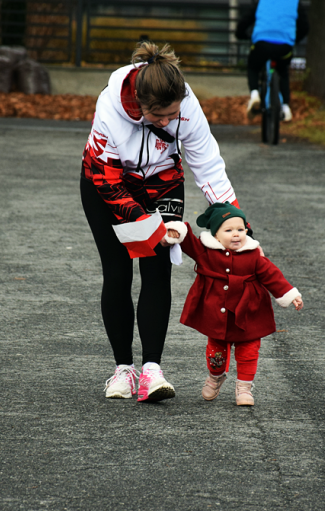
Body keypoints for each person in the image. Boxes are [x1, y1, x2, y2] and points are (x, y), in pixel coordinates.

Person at [80, 41, 251, 403]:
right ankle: (123, 369)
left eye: (173, 115)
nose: (167, 122)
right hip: (107, 184)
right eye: (159, 117)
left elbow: (207, 165)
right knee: (118, 270)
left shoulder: (185, 103)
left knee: (158, 269)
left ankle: (152, 370)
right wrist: (146, 224)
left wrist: (235, 221)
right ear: (140, 105)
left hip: (162, 183)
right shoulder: (110, 106)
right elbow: (107, 181)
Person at [164, 203, 303, 406]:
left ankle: (244, 387)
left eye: (240, 229)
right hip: (215, 312)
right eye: (228, 230)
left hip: (249, 312)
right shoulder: (207, 251)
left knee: (249, 349)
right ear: (216, 235)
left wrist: (289, 295)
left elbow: (271, 275)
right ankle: (216, 376)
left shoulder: (253, 254)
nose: (236, 234)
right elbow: (189, 242)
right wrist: (179, 231)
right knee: (216, 352)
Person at [235, 0, 306, 122]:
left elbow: (245, 21)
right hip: (285, 47)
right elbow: (305, 27)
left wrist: (242, 34)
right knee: (283, 72)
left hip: (261, 45)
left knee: (253, 66)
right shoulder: (295, 3)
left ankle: (254, 94)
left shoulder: (261, 2)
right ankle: (285, 106)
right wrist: (294, 40)